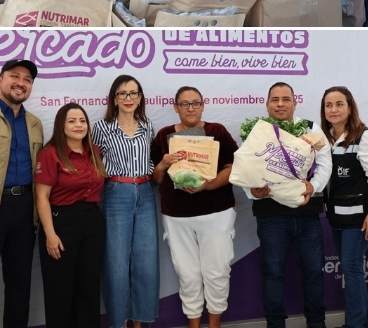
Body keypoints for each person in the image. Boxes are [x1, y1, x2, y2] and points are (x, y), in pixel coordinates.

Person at [150, 86, 238, 328]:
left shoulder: (217, 131)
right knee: (187, 275)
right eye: (185, 104)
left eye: (195, 103)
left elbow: (234, 168)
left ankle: (214, 324)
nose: (191, 108)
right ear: (175, 107)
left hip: (216, 212)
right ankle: (194, 325)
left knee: (217, 272)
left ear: (202, 105)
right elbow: (155, 179)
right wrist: (162, 164)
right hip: (177, 216)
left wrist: (209, 185)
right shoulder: (164, 135)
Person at [247, 82, 332, 328]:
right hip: (270, 215)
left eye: (286, 99)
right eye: (275, 99)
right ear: (267, 104)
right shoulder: (257, 130)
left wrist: (313, 186)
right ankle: (275, 325)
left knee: (314, 272)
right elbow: (246, 167)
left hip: (307, 214)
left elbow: (325, 162)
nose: (281, 104)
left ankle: (317, 324)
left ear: (295, 102)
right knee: (273, 273)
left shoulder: (310, 128)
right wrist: (252, 190)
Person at [91, 75, 158, 328]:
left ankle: (140, 322)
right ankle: (118, 322)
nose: (129, 98)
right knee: (116, 263)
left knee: (146, 261)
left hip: (146, 192)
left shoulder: (147, 125)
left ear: (140, 97)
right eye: (123, 93)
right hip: (116, 193)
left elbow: (150, 158)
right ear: (114, 99)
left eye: (134, 93)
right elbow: (93, 165)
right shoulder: (101, 128)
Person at [34, 103, 105, 328]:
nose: (78, 125)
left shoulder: (94, 151)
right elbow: (41, 197)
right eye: (72, 121)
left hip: (92, 222)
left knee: (89, 287)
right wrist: (50, 234)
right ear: (61, 125)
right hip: (60, 223)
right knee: (60, 290)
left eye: (82, 120)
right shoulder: (49, 153)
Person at [322, 86, 368, 328]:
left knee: (352, 269)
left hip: (359, 218)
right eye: (329, 105)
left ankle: (357, 324)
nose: (334, 109)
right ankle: (359, 322)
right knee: (350, 269)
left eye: (339, 104)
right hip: (336, 217)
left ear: (350, 108)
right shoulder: (325, 138)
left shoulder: (363, 136)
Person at [0, 59, 43, 328]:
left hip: (25, 209)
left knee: (19, 284)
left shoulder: (35, 123)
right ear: (1, 78)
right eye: (15, 76)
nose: (21, 83)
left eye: (27, 80)